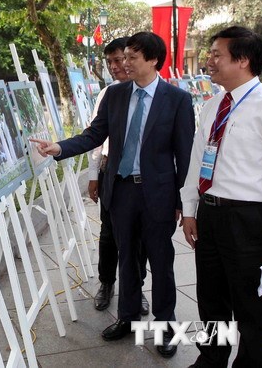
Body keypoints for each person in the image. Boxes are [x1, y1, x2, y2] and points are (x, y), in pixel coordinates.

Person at [32, 32, 194, 358]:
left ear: (152, 60)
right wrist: (59, 147)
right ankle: (128, 317)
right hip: (120, 193)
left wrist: (182, 202)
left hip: (158, 196)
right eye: (125, 56)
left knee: (161, 263)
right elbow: (95, 133)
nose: (125, 63)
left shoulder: (177, 100)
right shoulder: (115, 95)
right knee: (127, 261)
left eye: (133, 57)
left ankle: (165, 327)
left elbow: (185, 154)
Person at [180, 26, 262, 367]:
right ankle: (211, 357)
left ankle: (253, 363)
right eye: (210, 54)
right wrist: (190, 209)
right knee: (210, 296)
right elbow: (198, 161)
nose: (209, 61)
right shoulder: (212, 105)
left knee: (249, 300)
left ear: (242, 60)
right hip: (210, 215)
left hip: (250, 218)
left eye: (216, 55)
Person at [87, 37, 149, 314]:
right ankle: (106, 283)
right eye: (110, 61)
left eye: (119, 60)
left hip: (142, 179)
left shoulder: (155, 94)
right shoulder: (108, 94)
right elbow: (95, 138)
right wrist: (93, 175)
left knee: (140, 239)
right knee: (109, 233)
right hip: (110, 172)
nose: (115, 66)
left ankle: (136, 289)